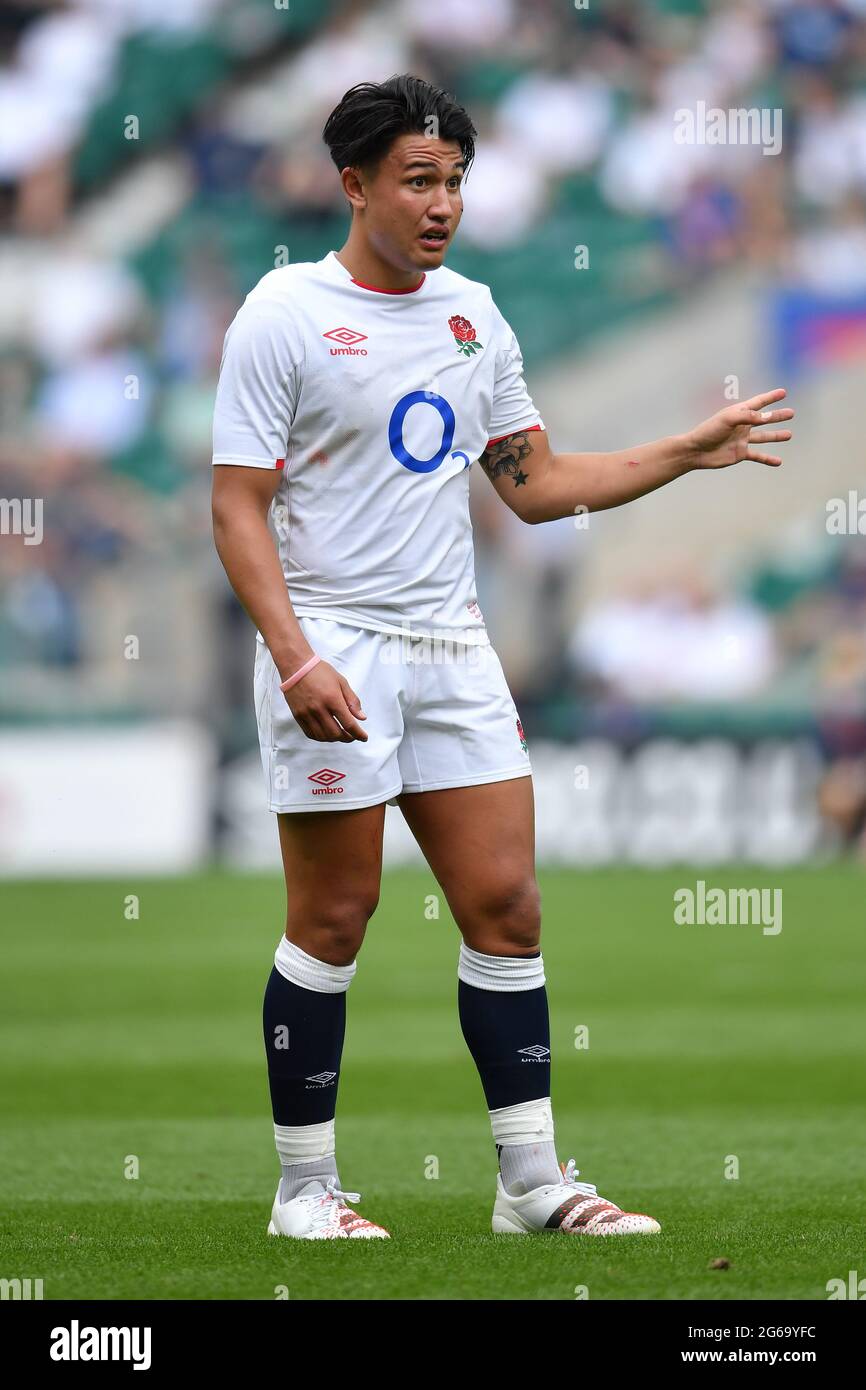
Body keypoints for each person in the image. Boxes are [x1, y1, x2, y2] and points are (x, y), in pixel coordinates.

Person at [211, 73, 794, 1240]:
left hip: (452, 645)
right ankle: (303, 1191)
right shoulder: (280, 313)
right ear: (355, 184)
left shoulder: (474, 314)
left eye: (456, 182)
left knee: (508, 907)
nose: (442, 203)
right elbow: (236, 504)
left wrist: (681, 451)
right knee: (336, 916)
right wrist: (291, 657)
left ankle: (528, 1185)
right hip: (333, 642)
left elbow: (531, 487)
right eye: (418, 180)